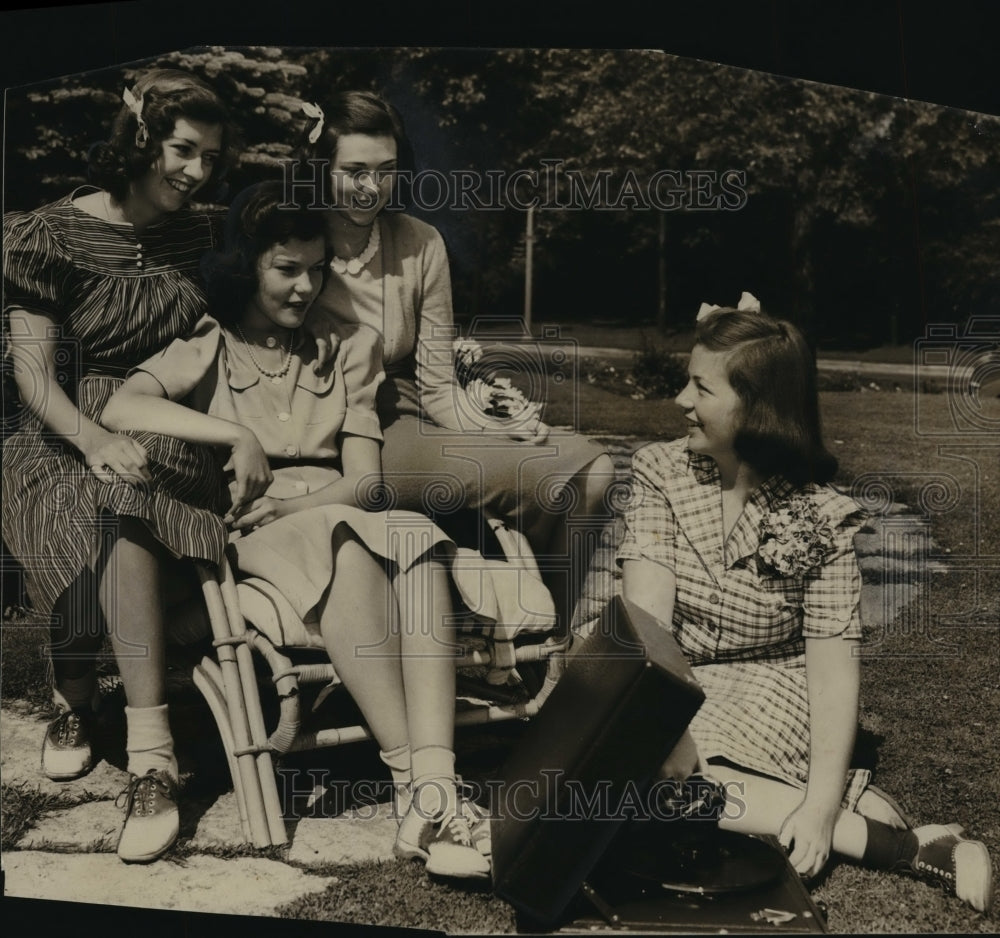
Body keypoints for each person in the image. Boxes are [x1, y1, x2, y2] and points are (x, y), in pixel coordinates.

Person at [102, 181, 491, 879]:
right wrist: (233, 434)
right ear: (246, 265)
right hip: (254, 541)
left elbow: (366, 480)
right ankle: (416, 784)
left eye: (317, 269)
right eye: (287, 269)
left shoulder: (349, 348)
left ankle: (432, 786)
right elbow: (123, 408)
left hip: (327, 518)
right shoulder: (208, 344)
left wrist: (298, 506)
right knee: (348, 536)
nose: (306, 286)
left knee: (416, 538)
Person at [617, 306, 993, 913]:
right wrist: (668, 729)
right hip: (668, 675)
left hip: (770, 683)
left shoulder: (822, 515)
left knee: (652, 791)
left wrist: (817, 813)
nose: (680, 400)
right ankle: (895, 842)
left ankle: (857, 817)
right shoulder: (660, 471)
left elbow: (832, 670)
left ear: (755, 406)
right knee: (632, 774)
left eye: (701, 387)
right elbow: (648, 624)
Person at [2, 68, 239, 864]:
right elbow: (33, 377)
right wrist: (94, 439)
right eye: (181, 150)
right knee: (85, 500)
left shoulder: (199, 235)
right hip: (61, 425)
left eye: (209, 156)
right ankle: (74, 698)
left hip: (161, 423)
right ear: (141, 138)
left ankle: (150, 758)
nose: (196, 172)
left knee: (126, 501)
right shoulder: (48, 234)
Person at [295, 91, 617, 633]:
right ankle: (531, 626)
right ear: (319, 168)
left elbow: (438, 386)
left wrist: (498, 427)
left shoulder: (421, 242)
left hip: (402, 415)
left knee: (595, 469)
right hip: (340, 428)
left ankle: (550, 636)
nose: (371, 187)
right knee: (563, 476)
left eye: (386, 170)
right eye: (353, 170)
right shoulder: (292, 235)